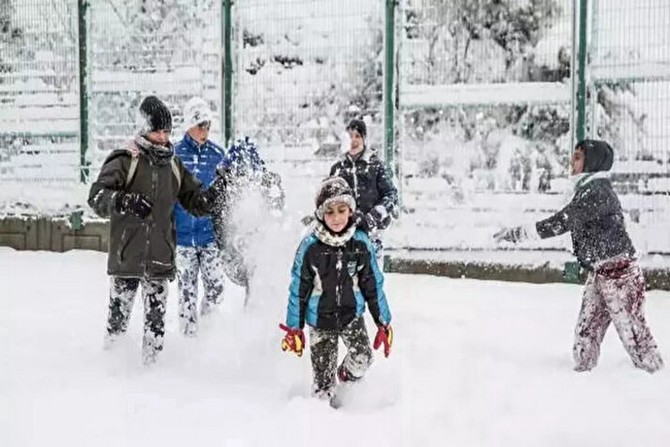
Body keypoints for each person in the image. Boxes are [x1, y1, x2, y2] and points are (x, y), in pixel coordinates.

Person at [494, 139, 663, 373]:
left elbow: (561, 222)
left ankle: (654, 377)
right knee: (587, 331)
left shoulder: (597, 192)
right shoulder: (587, 189)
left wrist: (518, 234)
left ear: (591, 162)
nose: (572, 162)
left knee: (634, 335)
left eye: (577, 157)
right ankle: (581, 379)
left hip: (620, 275)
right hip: (601, 272)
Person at [88, 95, 227, 365]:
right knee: (117, 325)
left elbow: (195, 200)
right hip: (126, 259)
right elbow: (96, 197)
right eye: (157, 130)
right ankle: (110, 374)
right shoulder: (125, 160)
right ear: (143, 129)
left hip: (160, 259)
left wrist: (214, 196)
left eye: (166, 131)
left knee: (155, 329)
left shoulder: (173, 165)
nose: (162, 137)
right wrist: (123, 201)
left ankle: (151, 379)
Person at [279, 177, 393, 404]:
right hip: (320, 321)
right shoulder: (310, 247)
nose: (336, 217)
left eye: (342, 210)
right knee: (323, 386)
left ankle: (346, 380)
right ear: (321, 215)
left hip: (352, 316)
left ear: (350, 210)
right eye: (329, 212)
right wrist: (294, 328)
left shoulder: (360, 243)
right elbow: (298, 290)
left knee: (363, 358)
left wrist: (383, 321)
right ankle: (323, 421)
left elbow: (373, 285)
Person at [173, 97, 227, 337]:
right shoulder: (173, 155)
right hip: (183, 238)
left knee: (216, 286)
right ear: (188, 125)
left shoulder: (218, 155)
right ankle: (188, 338)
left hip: (209, 237)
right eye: (199, 125)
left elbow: (225, 195)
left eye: (207, 125)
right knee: (186, 290)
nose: (205, 131)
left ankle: (209, 328)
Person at [212, 136, 285, 302]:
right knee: (253, 275)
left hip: (257, 245)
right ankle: (253, 311)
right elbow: (218, 220)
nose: (243, 179)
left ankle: (256, 312)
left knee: (257, 274)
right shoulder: (222, 187)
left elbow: (276, 211)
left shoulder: (267, 183)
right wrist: (228, 245)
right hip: (234, 251)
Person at [329, 118, 398, 261]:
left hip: (373, 231)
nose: (353, 140)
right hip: (346, 232)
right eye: (350, 136)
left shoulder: (376, 165)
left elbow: (391, 195)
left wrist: (374, 216)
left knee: (371, 275)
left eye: (357, 136)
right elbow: (329, 199)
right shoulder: (338, 169)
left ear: (364, 138)